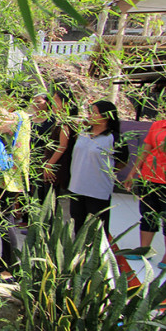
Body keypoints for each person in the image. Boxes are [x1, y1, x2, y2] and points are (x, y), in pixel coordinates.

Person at [123, 91, 166, 270]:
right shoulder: (159, 125)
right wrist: (133, 173)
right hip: (149, 178)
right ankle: (144, 249)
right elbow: (145, 151)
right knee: (147, 215)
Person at [0, 93, 31, 282]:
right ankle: (4, 260)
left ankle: (12, 270)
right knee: (0, 218)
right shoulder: (22, 116)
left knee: (5, 220)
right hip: (9, 176)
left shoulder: (15, 117)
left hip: (9, 177)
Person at [68, 100, 128, 238]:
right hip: (77, 186)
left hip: (97, 189)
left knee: (96, 226)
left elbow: (122, 161)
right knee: (78, 223)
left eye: (94, 113)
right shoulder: (83, 133)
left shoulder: (114, 138)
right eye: (90, 112)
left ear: (107, 116)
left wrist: (106, 171)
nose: (89, 115)